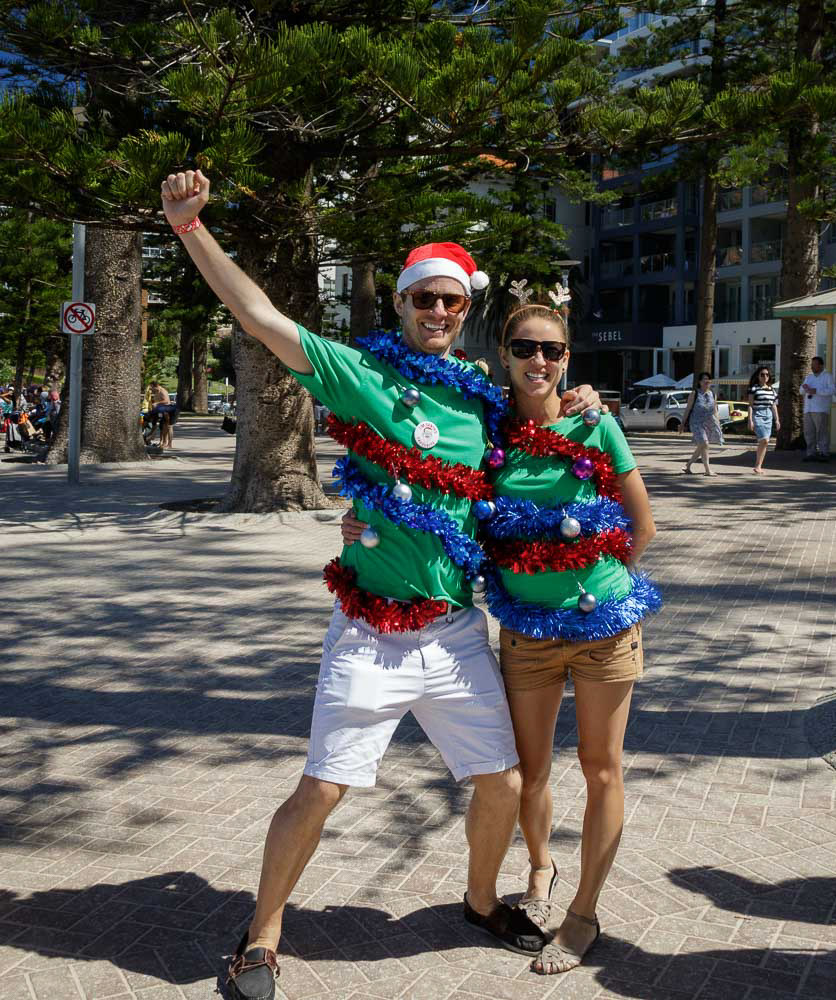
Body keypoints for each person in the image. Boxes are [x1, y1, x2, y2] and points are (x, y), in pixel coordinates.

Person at [160, 169, 602, 1000]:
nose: (439, 312)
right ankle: (260, 933)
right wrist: (190, 229)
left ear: (465, 311)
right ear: (399, 306)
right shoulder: (363, 377)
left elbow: (547, 413)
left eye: (452, 302)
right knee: (322, 786)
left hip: (454, 630)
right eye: (423, 300)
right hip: (369, 632)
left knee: (502, 782)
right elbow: (262, 320)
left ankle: (479, 902)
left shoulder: (485, 403)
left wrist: (585, 395)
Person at [342, 295, 660, 976]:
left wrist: (595, 583)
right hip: (524, 635)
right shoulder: (488, 430)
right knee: (529, 774)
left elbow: (644, 528)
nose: (538, 361)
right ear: (504, 357)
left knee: (602, 770)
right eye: (525, 349)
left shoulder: (594, 426)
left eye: (552, 350)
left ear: (567, 358)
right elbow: (429, 478)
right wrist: (360, 516)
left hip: (604, 629)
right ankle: (540, 868)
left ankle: (582, 915)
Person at [681, 372, 724, 475]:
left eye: (708, 379)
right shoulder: (694, 393)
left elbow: (715, 410)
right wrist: (682, 424)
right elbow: (688, 409)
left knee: (703, 445)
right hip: (696, 422)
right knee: (704, 443)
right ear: (699, 382)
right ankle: (708, 470)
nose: (706, 381)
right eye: (704, 379)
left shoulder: (713, 394)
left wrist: (718, 423)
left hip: (709, 423)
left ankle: (689, 465)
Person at [800, 356, 834, 462]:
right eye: (812, 364)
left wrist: (817, 391)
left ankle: (824, 453)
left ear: (821, 365)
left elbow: (832, 390)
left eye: (814, 364)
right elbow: (801, 390)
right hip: (808, 409)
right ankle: (811, 453)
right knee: (809, 432)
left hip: (820, 409)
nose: (812, 366)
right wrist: (804, 388)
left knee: (822, 432)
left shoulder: (827, 376)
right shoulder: (809, 377)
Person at [747, 366, 780, 473]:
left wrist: (777, 420)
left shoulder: (772, 390)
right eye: (762, 374)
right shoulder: (754, 389)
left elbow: (774, 406)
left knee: (766, 442)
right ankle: (757, 465)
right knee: (764, 439)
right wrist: (750, 420)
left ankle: (759, 466)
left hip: (768, 416)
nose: (765, 376)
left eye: (767, 374)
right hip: (757, 414)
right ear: (758, 376)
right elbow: (750, 405)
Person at [148, 380, 176, 449]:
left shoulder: (163, 391)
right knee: (163, 427)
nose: (151, 389)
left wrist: (157, 403)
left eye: (151, 387)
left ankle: (169, 444)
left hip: (168, 411)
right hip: (161, 411)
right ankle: (163, 442)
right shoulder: (156, 392)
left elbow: (166, 401)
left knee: (169, 427)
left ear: (156, 386)